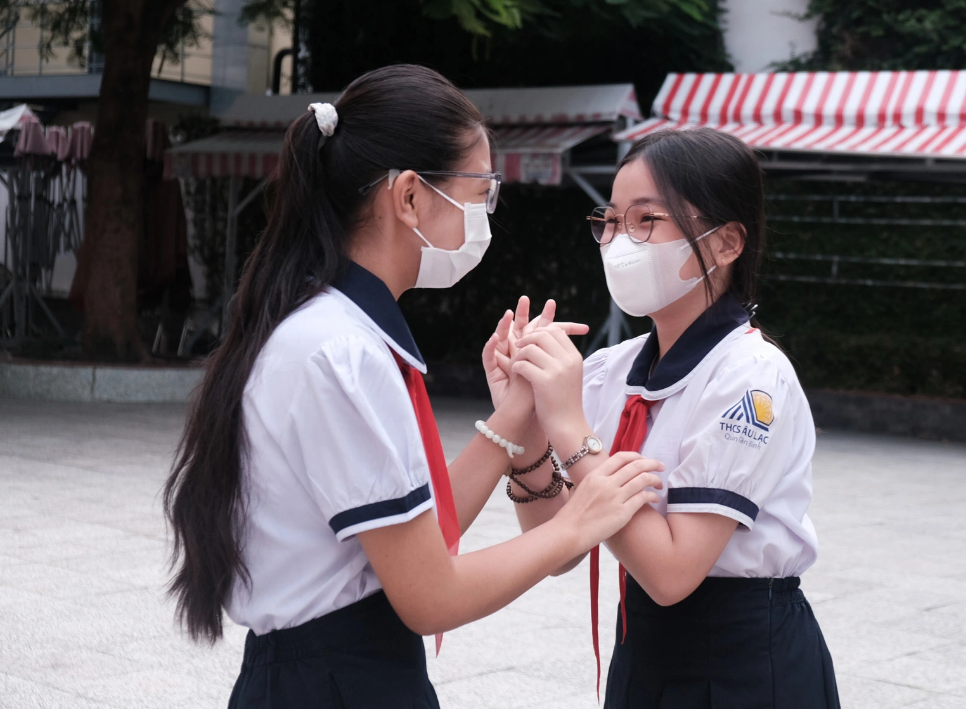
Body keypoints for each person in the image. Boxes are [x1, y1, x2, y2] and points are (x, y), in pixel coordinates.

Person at [163, 64, 664, 709]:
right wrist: (577, 524)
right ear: (408, 197)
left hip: (333, 670)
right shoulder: (340, 351)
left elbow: (416, 532)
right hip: (337, 681)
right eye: (480, 190)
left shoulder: (332, 328)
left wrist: (514, 415)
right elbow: (431, 594)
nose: (487, 213)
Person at [486, 127, 841, 708]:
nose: (620, 241)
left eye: (647, 220)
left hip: (744, 661)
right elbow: (562, 548)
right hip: (643, 647)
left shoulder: (750, 376)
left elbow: (674, 573)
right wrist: (525, 429)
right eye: (612, 220)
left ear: (726, 243)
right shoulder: (607, 370)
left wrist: (571, 428)